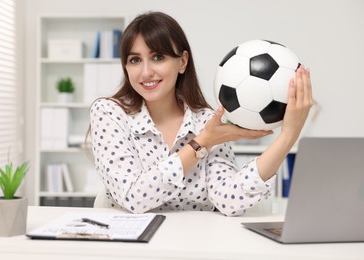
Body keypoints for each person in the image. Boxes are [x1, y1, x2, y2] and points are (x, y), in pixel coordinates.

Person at [89, 11, 313, 216]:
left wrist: (287, 136)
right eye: (135, 60)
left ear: (182, 62)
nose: (146, 72)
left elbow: (230, 200)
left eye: (158, 57)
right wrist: (202, 143)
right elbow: (134, 197)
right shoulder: (109, 113)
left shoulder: (206, 120)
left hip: (193, 245)